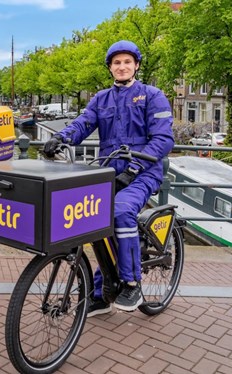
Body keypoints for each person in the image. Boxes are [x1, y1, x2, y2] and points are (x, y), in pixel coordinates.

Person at [43, 40, 174, 315]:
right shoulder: (101, 98)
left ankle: (131, 283)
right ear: (110, 68)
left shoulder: (153, 95)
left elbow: (163, 139)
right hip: (109, 171)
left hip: (144, 172)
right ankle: (103, 292)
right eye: (117, 62)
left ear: (136, 65)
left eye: (127, 62)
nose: (122, 66)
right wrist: (60, 138)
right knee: (91, 219)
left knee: (121, 210)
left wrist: (135, 167)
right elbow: (83, 124)